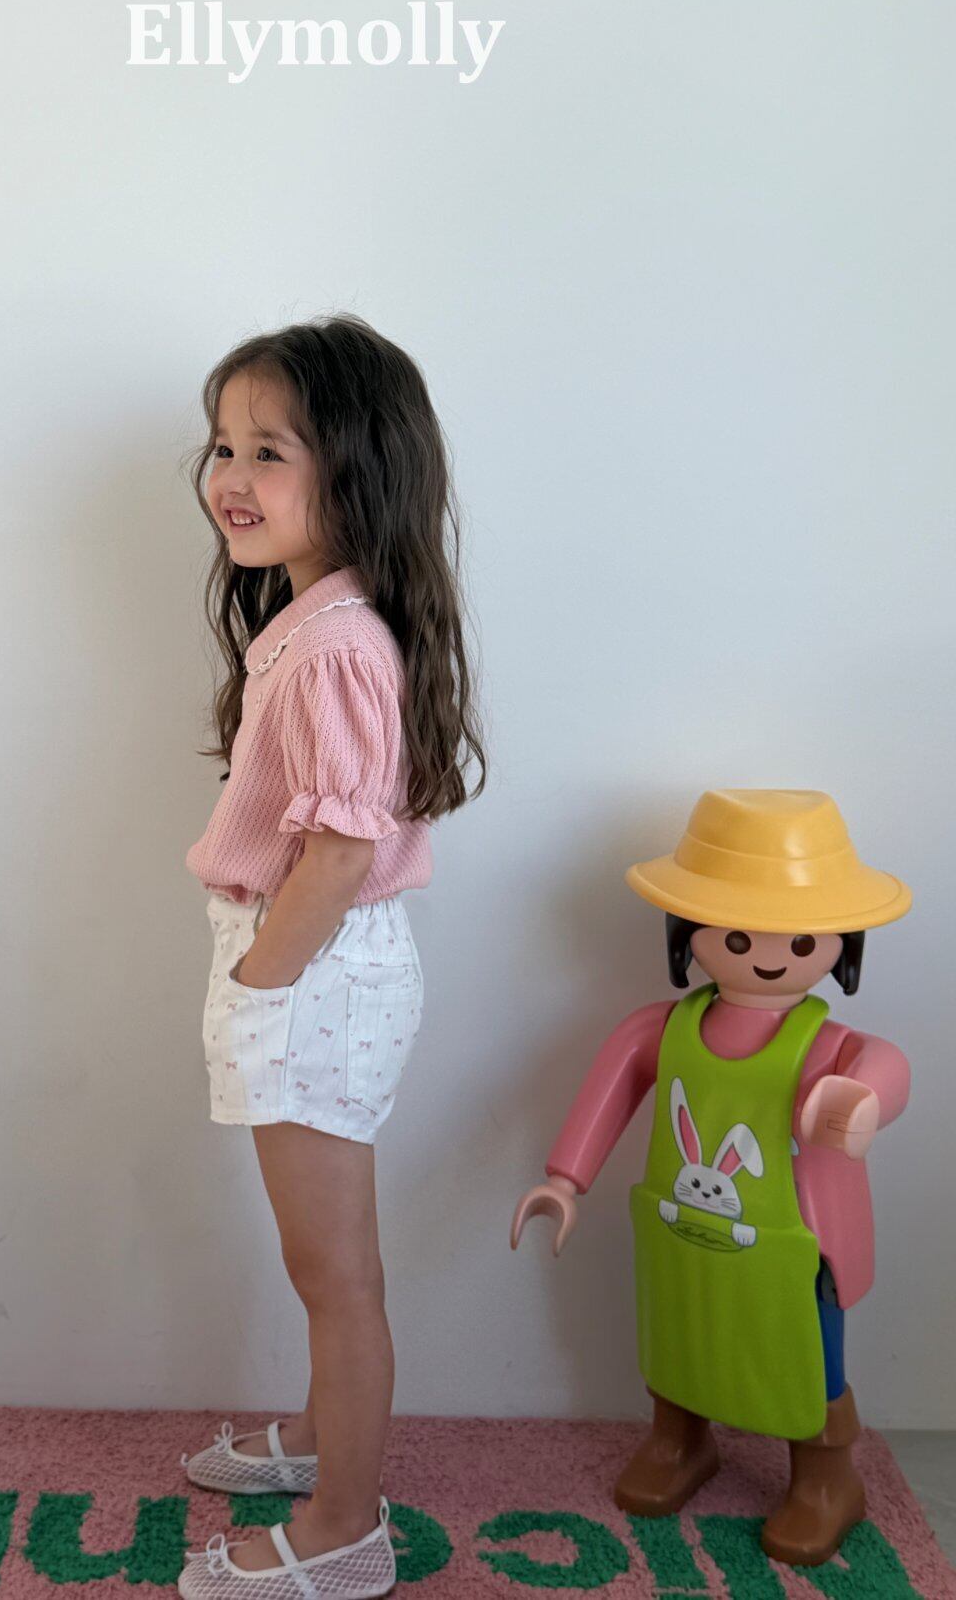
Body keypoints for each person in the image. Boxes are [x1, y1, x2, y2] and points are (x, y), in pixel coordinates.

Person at [177, 313, 486, 1599]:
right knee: (326, 1264)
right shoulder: (320, 623)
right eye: (222, 446)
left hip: (310, 970)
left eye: (269, 451)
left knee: (334, 1274)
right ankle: (317, 1440)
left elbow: (342, 850)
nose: (230, 478)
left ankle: (345, 1528)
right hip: (309, 965)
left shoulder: (336, 645)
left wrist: (259, 981)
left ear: (356, 471)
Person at [512, 788, 912, 1566]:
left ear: (839, 944)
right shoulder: (662, 1029)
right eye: (736, 934)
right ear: (689, 933)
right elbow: (611, 1090)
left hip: (797, 1247)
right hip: (681, 1234)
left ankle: (827, 1479)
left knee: (809, 1357)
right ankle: (680, 1440)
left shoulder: (828, 1045)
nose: (769, 955)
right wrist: (564, 1181)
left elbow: (886, 1065)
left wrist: (864, 1101)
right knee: (680, 1333)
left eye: (802, 940)